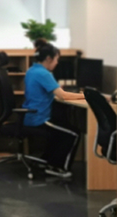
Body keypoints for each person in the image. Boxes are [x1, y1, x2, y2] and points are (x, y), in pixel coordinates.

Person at [22, 40, 84, 178]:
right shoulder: (43, 74)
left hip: (32, 115)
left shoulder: (32, 70)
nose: (57, 63)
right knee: (73, 133)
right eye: (56, 59)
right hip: (40, 118)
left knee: (62, 129)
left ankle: (47, 161)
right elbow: (63, 95)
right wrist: (88, 98)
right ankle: (58, 168)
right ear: (49, 58)